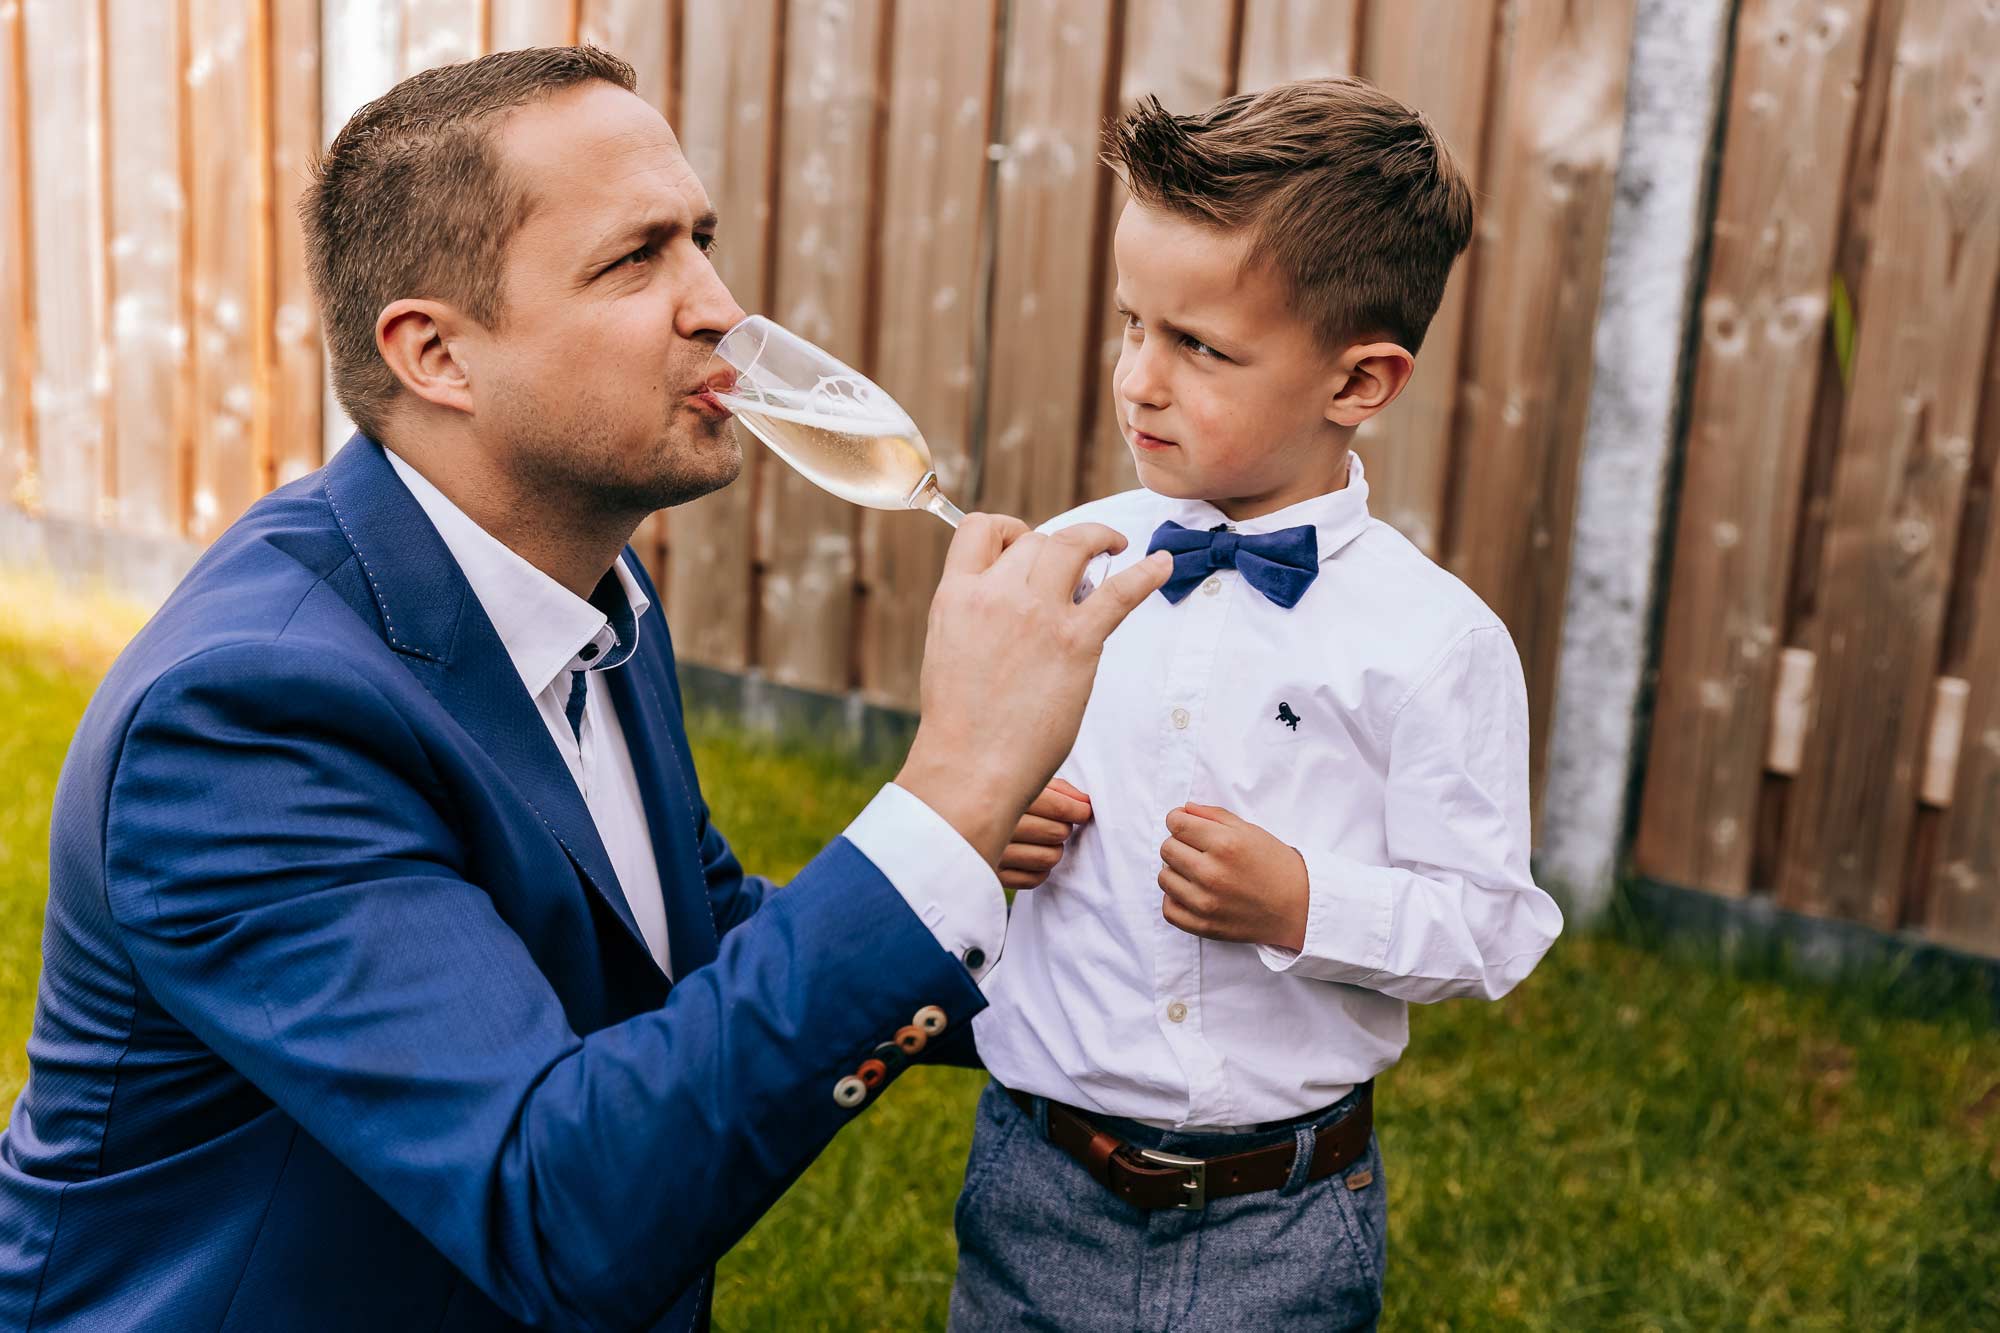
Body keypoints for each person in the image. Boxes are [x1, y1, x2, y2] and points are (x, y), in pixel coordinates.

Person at [0, 47, 1170, 1332]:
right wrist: (945, 797)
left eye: (700, 242)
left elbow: (682, 934)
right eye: (634, 260)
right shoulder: (243, 722)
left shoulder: (583, 584)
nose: (718, 306)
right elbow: (554, 1207)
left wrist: (1133, 982)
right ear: (436, 353)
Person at [949, 80, 1566, 1330]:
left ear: (1359, 381)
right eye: (1132, 324)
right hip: (1035, 1178)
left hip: (1278, 1214)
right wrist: (994, 831)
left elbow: (1489, 925)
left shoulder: (1429, 642)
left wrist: (1301, 901)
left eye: (1199, 348)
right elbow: (968, 778)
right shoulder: (1073, 563)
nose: (1137, 379)